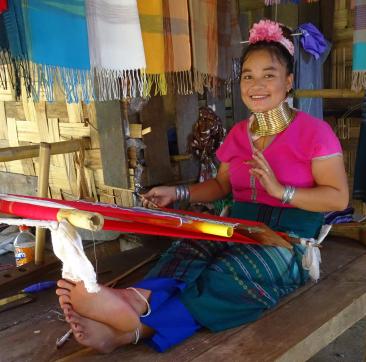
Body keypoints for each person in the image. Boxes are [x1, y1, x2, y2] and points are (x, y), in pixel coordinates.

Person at [56, 19, 348, 354]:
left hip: (287, 241)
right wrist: (177, 192)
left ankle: (132, 329)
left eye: (269, 74)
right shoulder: (240, 133)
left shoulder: (314, 132)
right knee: (188, 250)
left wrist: (282, 191)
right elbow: (222, 184)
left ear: (289, 81)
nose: (257, 84)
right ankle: (132, 300)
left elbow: (338, 198)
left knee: (230, 273)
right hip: (237, 227)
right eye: (248, 76)